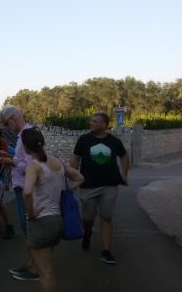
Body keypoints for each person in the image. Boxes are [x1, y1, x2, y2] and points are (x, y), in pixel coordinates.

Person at [14, 128, 84, 292]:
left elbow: (27, 192)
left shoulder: (34, 166)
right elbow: (80, 178)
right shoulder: (57, 161)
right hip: (57, 220)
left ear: (25, 146)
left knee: (44, 272)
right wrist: (63, 191)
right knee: (48, 269)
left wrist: (31, 213)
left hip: (42, 222)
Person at [70, 111, 130, 265]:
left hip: (109, 185)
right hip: (88, 186)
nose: (91, 123)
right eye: (91, 121)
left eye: (95, 121)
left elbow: (124, 156)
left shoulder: (114, 141)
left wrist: (124, 174)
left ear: (104, 124)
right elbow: (75, 158)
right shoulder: (84, 140)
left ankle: (106, 251)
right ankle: (87, 232)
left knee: (107, 217)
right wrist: (72, 178)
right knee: (88, 218)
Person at [0, 105, 36, 279]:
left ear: (13, 118)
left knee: (30, 229)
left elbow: (31, 166)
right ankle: (32, 263)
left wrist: (10, 162)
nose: (6, 127)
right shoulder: (23, 134)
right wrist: (9, 157)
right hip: (21, 186)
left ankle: (36, 268)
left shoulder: (27, 134)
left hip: (26, 186)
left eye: (6, 123)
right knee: (28, 228)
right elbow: (24, 160)